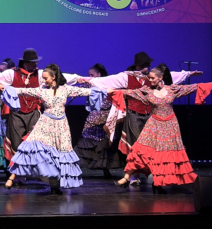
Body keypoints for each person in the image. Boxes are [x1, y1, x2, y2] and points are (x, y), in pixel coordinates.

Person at [0, 48, 83, 189]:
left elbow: (61, 76)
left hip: (34, 112)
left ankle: (45, 175)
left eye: (36, 62)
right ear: (25, 63)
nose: (35, 65)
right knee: (17, 144)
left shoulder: (41, 74)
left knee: (38, 144)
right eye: (32, 63)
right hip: (17, 113)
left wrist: (79, 79)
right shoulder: (12, 74)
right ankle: (16, 174)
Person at [88, 52, 203, 185]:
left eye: (149, 65)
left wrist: (188, 74)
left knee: (159, 149)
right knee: (137, 146)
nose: (148, 67)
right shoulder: (129, 77)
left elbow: (174, 78)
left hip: (156, 118)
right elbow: (111, 82)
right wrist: (88, 81)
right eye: (146, 64)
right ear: (140, 65)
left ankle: (158, 177)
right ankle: (132, 176)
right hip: (136, 116)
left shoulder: (163, 85)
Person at [0, 63, 106, 194]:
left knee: (59, 155)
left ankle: (55, 186)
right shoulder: (42, 90)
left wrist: (109, 91)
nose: (44, 80)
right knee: (29, 148)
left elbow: (86, 91)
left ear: (53, 77)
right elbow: (22, 90)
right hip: (45, 124)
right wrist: (4, 87)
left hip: (61, 126)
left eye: (46, 78)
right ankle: (11, 179)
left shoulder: (65, 89)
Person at [109, 64, 211, 193]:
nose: (150, 80)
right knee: (140, 150)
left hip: (170, 126)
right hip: (154, 124)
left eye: (152, 78)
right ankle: (126, 177)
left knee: (163, 157)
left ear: (160, 78)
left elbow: (192, 87)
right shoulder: (146, 91)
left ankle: (158, 183)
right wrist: (113, 91)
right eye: (149, 78)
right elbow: (128, 92)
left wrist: (207, 85)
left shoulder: (172, 90)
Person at [74, 63, 123, 178]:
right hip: (94, 117)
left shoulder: (110, 84)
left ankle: (106, 169)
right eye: (89, 75)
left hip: (107, 118)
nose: (90, 77)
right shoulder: (90, 85)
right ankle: (76, 168)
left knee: (105, 144)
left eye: (92, 75)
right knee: (87, 142)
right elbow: (77, 90)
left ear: (99, 74)